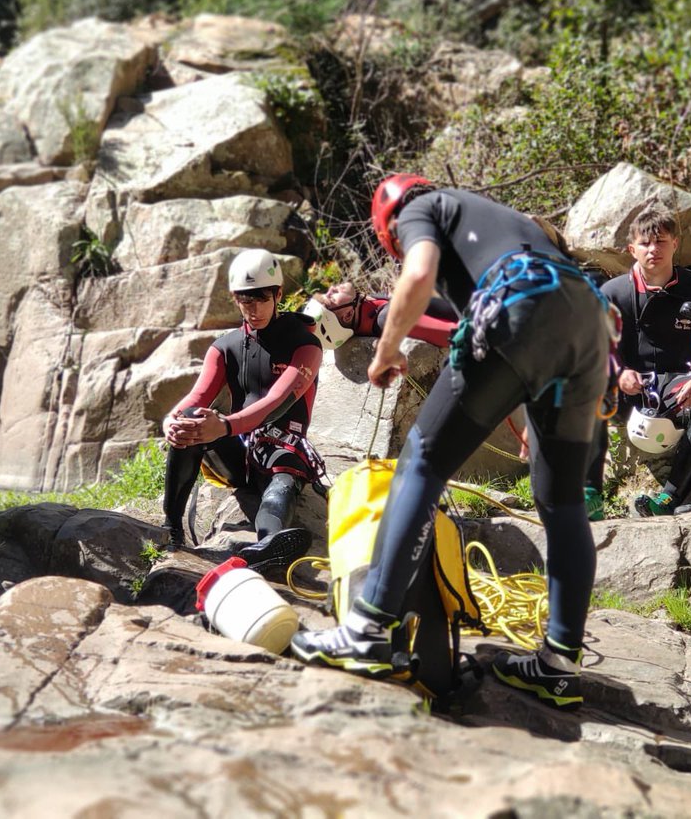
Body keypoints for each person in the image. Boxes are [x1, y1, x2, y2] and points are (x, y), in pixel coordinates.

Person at [291, 175, 613, 711]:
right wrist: (533, 410)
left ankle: (368, 630)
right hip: (588, 325)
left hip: (520, 302)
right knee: (562, 501)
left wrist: (386, 350)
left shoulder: (421, 208)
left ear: (389, 224)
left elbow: (417, 276)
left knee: (422, 460)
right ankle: (559, 664)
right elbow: (549, 290)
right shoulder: (502, 218)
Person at [162, 249, 322, 574]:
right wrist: (172, 420)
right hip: (238, 453)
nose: (254, 309)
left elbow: (277, 401)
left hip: (281, 447)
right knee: (189, 422)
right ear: (235, 300)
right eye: (246, 301)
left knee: (283, 482)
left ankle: (269, 545)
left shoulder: (304, 344)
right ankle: (171, 528)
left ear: (278, 294)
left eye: (261, 299)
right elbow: (198, 395)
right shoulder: (225, 347)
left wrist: (224, 425)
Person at [584, 214, 691, 518]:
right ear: (631, 249)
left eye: (660, 241)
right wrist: (619, 373)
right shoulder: (611, 293)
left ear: (675, 244)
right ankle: (589, 494)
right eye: (644, 243)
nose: (653, 250)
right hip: (626, 388)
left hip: (680, 385)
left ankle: (671, 497)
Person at [311, 281, 458, 348]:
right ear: (348, 315)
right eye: (330, 298)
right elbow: (455, 334)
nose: (330, 288)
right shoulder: (388, 319)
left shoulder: (371, 303)